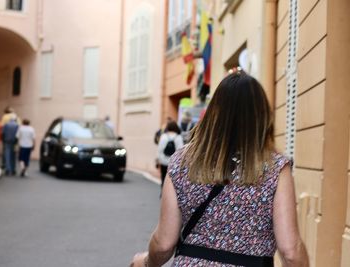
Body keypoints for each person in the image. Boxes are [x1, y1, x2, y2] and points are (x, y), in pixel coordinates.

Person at [131, 72, 309, 267]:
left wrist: (146, 262)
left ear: (214, 113)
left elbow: (164, 244)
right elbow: (290, 251)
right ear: (261, 117)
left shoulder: (182, 162)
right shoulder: (275, 169)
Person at [157, 121, 183, 190]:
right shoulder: (178, 137)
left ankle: (163, 191)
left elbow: (160, 149)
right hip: (174, 163)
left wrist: (159, 159)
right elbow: (180, 151)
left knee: (163, 177)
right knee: (172, 179)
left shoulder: (163, 136)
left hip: (163, 161)